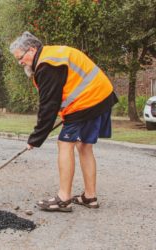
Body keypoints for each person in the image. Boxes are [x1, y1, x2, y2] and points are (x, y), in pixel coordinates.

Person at [9, 31, 118, 212]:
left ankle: (63, 198)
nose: (20, 62)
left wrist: (35, 139)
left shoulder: (47, 65)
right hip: (101, 95)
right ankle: (89, 197)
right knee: (84, 146)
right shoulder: (52, 55)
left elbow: (48, 108)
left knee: (64, 143)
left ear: (32, 49)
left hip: (88, 100)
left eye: (20, 57)